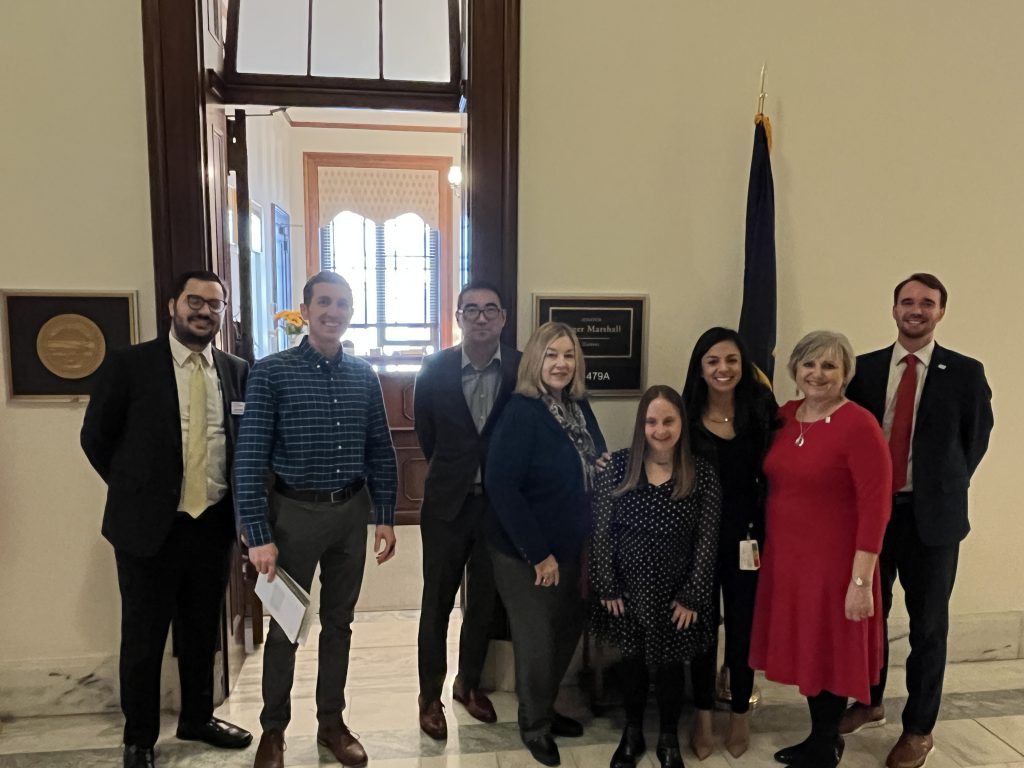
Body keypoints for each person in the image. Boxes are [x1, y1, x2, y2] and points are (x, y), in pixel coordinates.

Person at [81, 270, 253, 768]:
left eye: (214, 304)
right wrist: (136, 490)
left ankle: (198, 717)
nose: (204, 311)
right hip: (147, 529)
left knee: (202, 630)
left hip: (212, 523)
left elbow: (243, 444)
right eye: (194, 301)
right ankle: (139, 737)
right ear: (173, 306)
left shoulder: (237, 369)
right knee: (143, 636)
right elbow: (96, 437)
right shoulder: (130, 365)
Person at [234, 271, 398, 768]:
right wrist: (257, 535)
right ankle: (274, 731)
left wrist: (385, 517)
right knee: (286, 627)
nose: (333, 312)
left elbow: (380, 451)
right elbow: (249, 457)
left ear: (351, 312)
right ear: (305, 310)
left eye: (343, 304)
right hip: (292, 516)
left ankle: (332, 723)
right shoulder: (271, 372)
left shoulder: (363, 375)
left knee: (339, 623)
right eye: (324, 302)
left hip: (350, 513)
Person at [839, 274, 993, 768]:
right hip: (872, 519)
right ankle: (868, 700)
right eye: (908, 301)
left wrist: (937, 487)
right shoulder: (861, 370)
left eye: (927, 303)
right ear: (894, 309)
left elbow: (974, 441)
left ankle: (919, 729)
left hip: (933, 522)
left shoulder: (965, 373)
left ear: (941, 312)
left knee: (928, 627)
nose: (916, 309)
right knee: (868, 617)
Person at [748, 331, 892, 768]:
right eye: (809, 364)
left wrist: (861, 581)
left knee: (830, 650)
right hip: (788, 561)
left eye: (830, 366)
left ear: (846, 373)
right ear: (794, 369)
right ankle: (821, 737)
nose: (818, 373)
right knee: (808, 648)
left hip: (837, 565)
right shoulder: (784, 416)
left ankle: (826, 743)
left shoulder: (860, 425)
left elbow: (876, 508)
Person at [485, 321, 608, 767]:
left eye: (569, 355)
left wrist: (601, 463)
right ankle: (534, 726)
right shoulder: (523, 412)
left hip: (574, 545)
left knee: (564, 635)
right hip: (526, 552)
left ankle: (545, 709)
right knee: (537, 642)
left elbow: (591, 455)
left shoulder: (578, 406)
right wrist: (539, 554)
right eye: (551, 354)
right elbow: (502, 487)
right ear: (535, 361)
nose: (560, 363)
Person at [590, 386, 722, 768]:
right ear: (640, 425)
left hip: (676, 593)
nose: (660, 430)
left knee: (668, 668)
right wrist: (607, 583)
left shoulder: (702, 475)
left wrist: (693, 594)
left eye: (668, 420)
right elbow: (601, 531)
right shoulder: (617, 467)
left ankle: (668, 736)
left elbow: (706, 540)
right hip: (626, 590)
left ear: (682, 422)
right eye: (651, 421)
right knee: (630, 664)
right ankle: (631, 733)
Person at [413, 281, 522, 740]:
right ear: (458, 317)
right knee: (436, 603)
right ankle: (429, 697)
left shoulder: (521, 368)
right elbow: (427, 435)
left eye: (489, 310)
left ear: (502, 318)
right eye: (471, 309)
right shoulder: (434, 369)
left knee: (482, 602)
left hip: (497, 507)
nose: (480, 317)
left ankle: (468, 683)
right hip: (446, 506)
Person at [681, 328, 778, 759]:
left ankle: (740, 715)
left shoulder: (761, 410)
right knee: (701, 630)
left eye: (731, 360)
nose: (723, 369)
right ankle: (701, 719)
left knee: (743, 629)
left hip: (748, 539)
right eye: (713, 361)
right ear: (700, 368)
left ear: (744, 365)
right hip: (695, 542)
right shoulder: (685, 413)